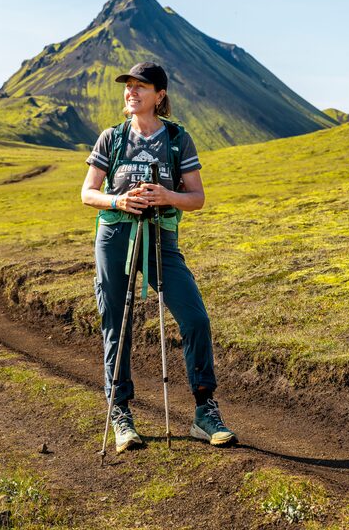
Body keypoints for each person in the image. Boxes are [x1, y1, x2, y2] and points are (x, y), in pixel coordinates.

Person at [80, 61, 237, 454]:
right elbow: (87, 193)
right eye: (128, 87)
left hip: (161, 237)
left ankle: (205, 411)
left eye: (140, 87)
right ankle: (121, 414)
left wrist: (166, 196)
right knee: (117, 322)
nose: (131, 92)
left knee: (196, 317)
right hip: (114, 235)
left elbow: (197, 198)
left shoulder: (177, 139)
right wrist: (120, 199)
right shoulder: (111, 138)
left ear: (159, 95)